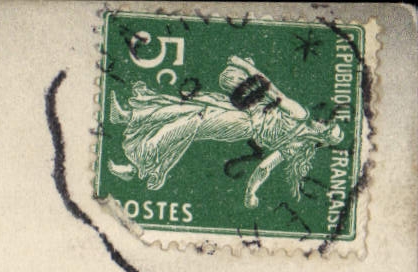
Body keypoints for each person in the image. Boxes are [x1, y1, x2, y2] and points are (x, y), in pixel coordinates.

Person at [107, 55, 344, 207]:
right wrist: (251, 194)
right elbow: (264, 167)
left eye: (327, 126)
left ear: (322, 135)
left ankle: (136, 163)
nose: (324, 120)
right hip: (244, 110)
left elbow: (270, 88)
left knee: (191, 121)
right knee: (186, 109)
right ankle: (128, 116)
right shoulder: (297, 136)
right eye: (328, 121)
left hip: (242, 123)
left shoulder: (300, 118)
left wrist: (243, 65)